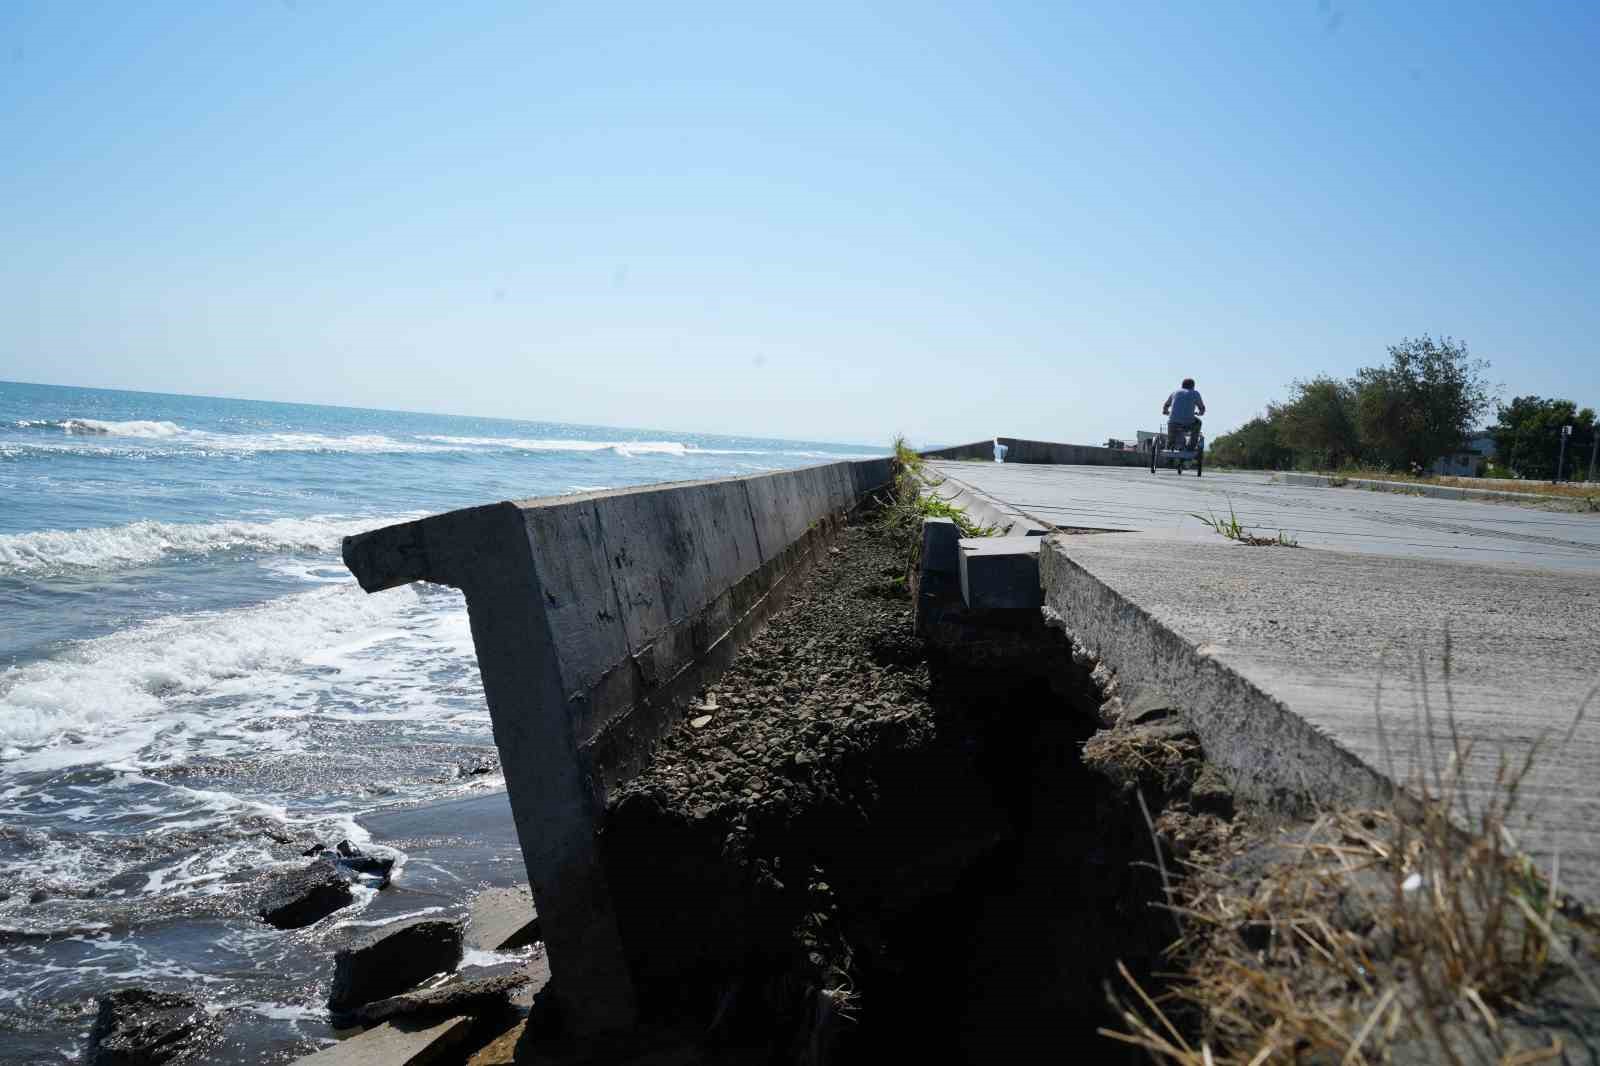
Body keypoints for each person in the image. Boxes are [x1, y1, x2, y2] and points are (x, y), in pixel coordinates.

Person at [1162, 377, 1206, 450]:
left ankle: (1169, 447)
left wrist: (1165, 411)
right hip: (1188, 422)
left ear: (1182, 385)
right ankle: (1191, 446)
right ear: (1193, 386)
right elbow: (1202, 407)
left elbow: (1166, 405)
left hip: (1173, 422)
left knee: (1171, 439)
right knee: (1198, 422)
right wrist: (1200, 413)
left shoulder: (1175, 392)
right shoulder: (1195, 393)